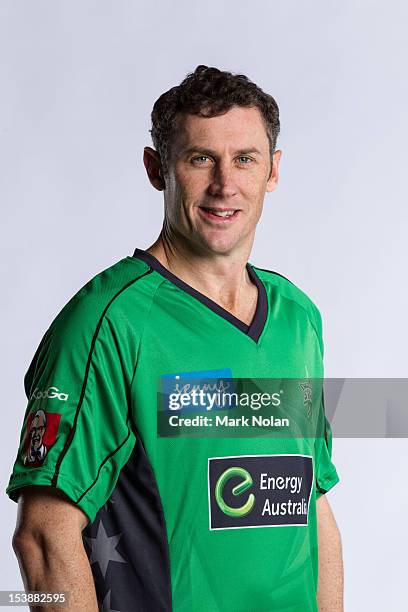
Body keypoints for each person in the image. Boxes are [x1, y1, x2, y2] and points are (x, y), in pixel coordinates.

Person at [7, 65, 343, 611]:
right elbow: (43, 537)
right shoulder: (108, 322)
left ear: (272, 171)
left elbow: (313, 502)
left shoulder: (297, 317)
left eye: (244, 159)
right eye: (200, 158)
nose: (225, 184)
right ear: (156, 168)